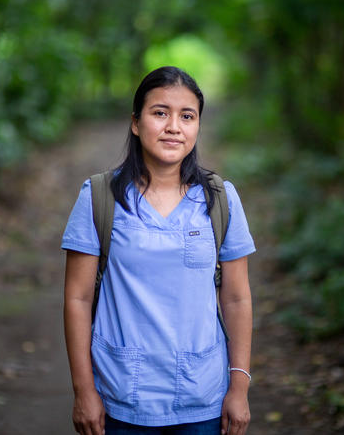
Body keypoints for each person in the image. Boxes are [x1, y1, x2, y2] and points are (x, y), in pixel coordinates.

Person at [62, 66, 255, 435]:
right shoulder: (99, 197)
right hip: (122, 397)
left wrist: (239, 387)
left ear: (197, 126)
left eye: (187, 116)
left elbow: (236, 298)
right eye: (160, 113)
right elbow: (78, 298)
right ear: (136, 123)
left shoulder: (220, 199)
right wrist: (84, 390)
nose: (173, 126)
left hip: (203, 396)